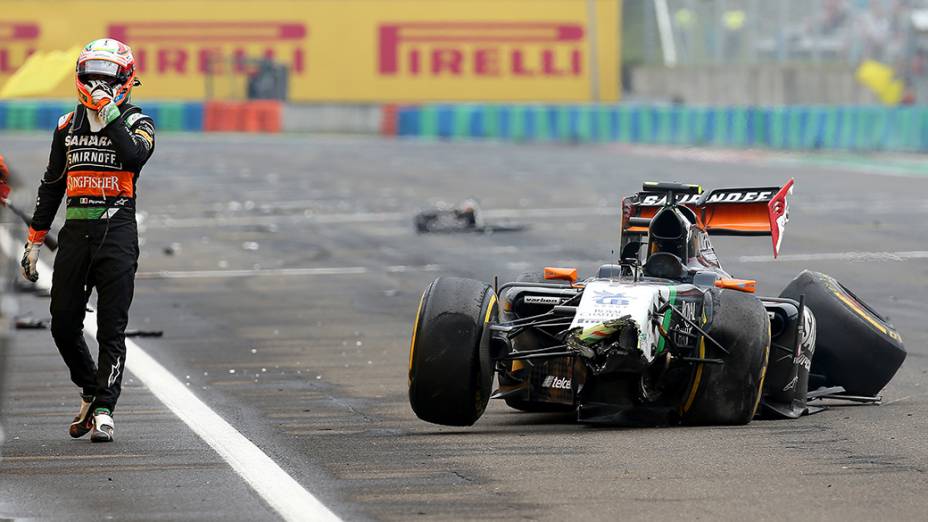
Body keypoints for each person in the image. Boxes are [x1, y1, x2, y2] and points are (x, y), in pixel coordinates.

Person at [20, 38, 155, 443]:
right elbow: (52, 185)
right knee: (62, 323)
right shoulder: (66, 125)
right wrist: (34, 239)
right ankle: (91, 388)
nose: (97, 84)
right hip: (75, 236)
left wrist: (108, 111)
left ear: (125, 80)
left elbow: (133, 158)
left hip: (117, 236)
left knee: (112, 329)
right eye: (91, 76)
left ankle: (104, 408)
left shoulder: (138, 122)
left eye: (106, 77)